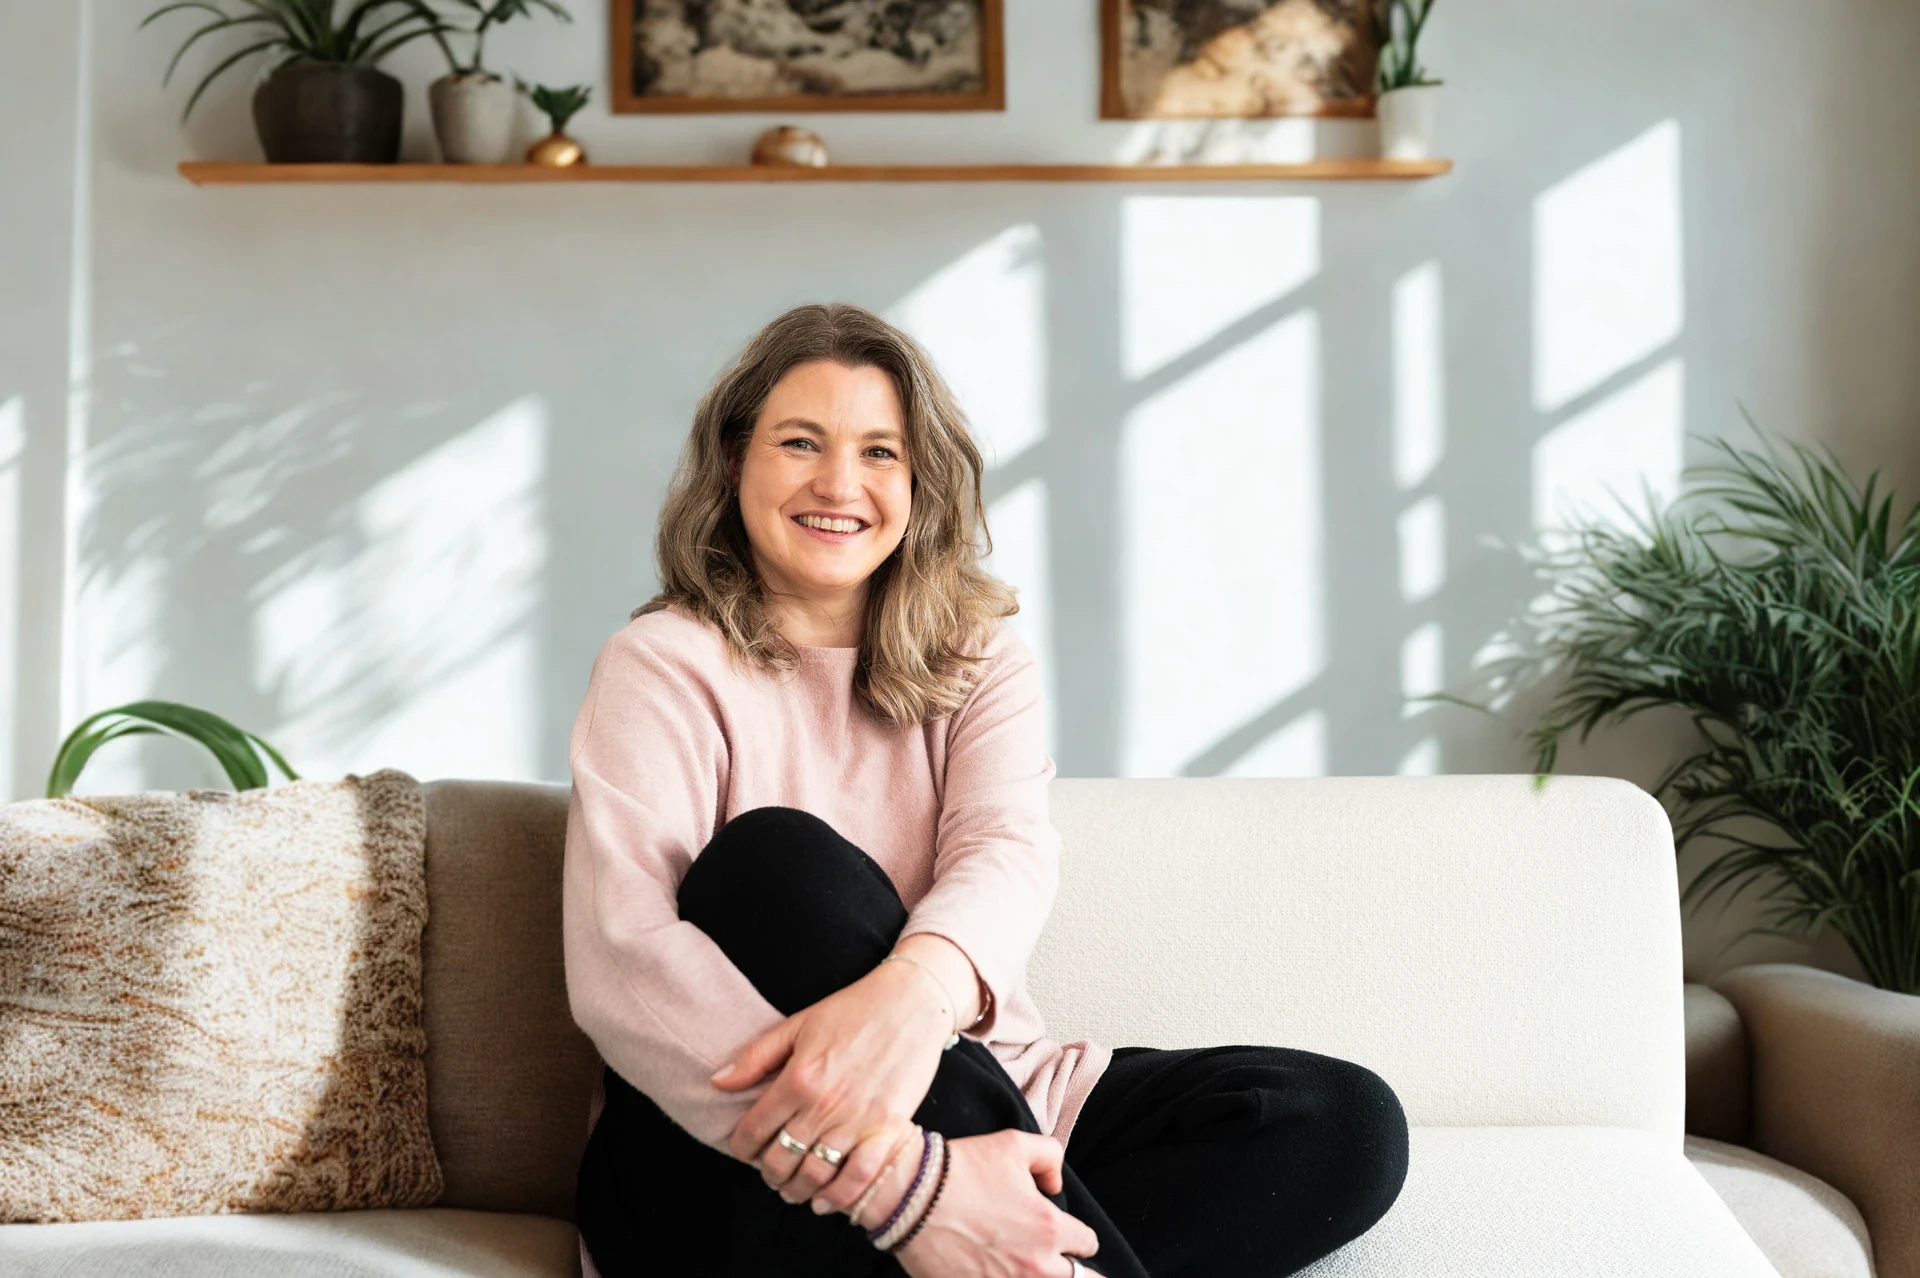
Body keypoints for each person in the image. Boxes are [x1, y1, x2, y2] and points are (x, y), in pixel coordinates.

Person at [564, 303, 1408, 1277]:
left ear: (920, 482)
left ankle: (958, 1238)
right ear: (733, 459)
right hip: (727, 1150)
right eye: (802, 442)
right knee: (775, 865)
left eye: (881, 452)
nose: (840, 483)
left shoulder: (979, 657)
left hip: (986, 1082)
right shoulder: (662, 663)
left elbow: (1004, 852)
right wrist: (914, 1183)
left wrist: (909, 1002)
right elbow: (623, 964)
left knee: (1342, 1124)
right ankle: (952, 1220)